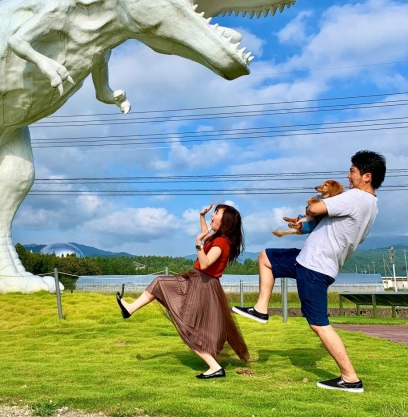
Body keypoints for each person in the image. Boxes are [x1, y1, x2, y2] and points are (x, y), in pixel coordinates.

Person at [233, 150, 386, 393]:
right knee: (266, 257)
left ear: (367, 176)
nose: (348, 176)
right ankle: (261, 309)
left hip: (315, 265)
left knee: (318, 323)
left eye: (352, 171)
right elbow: (323, 222)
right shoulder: (371, 205)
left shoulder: (357, 197)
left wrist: (312, 205)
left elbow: (316, 210)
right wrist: (304, 224)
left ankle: (350, 378)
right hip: (308, 259)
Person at [116, 202, 249, 379]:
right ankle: (130, 309)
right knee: (159, 282)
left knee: (188, 326)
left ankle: (214, 367)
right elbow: (206, 235)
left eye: (216, 213)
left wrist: (198, 243)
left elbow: (206, 263)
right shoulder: (218, 238)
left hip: (202, 285)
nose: (212, 215)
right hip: (197, 280)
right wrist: (201, 217)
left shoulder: (222, 243)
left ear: (225, 220)